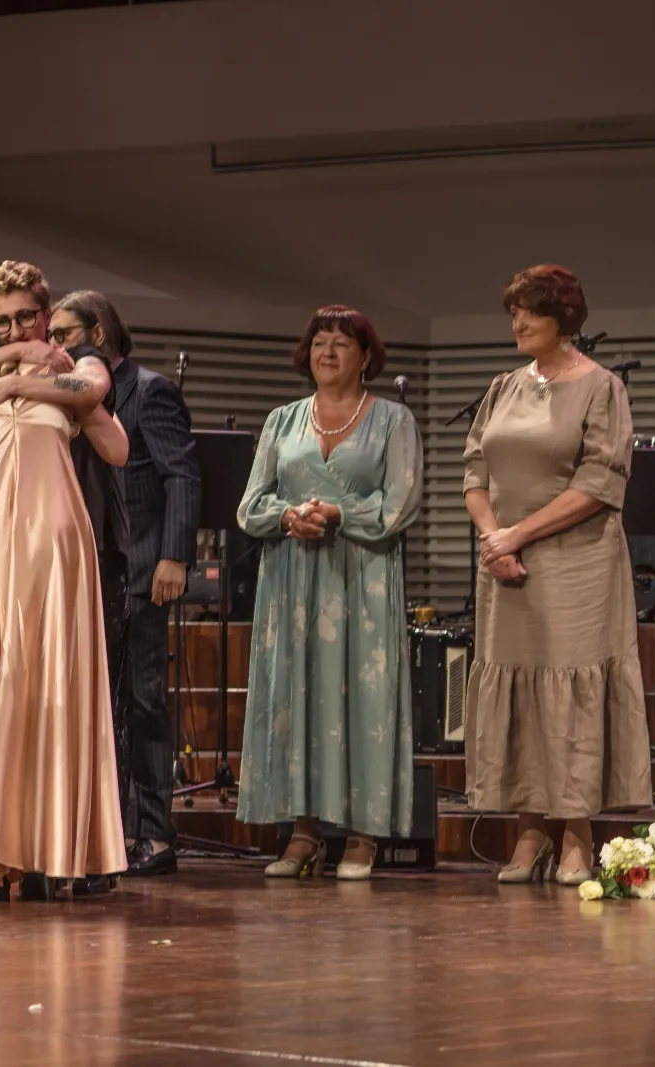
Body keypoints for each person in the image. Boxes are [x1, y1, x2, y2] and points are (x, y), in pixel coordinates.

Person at [0, 261, 127, 902]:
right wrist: (12, 359)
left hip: (53, 544)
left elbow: (114, 443)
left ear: (45, 311)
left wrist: (29, 382)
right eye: (1, 321)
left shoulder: (69, 375)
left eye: (25, 317)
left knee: (47, 688)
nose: (14, 328)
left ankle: (42, 850)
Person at [464, 264, 650, 886]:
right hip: (505, 564)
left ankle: (576, 832)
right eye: (514, 311)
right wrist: (494, 538)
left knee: (569, 694)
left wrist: (517, 534)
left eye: (531, 311)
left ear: (562, 319)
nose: (518, 322)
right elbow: (474, 470)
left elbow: (600, 483)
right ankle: (530, 831)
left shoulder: (601, 388)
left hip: (576, 563)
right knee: (519, 692)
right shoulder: (503, 387)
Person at [237, 306, 422, 881]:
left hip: (361, 579)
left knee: (363, 702)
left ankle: (363, 835)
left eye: (341, 342)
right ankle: (304, 832)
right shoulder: (282, 420)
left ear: (366, 357)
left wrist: (339, 512)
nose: (328, 351)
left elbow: (400, 504)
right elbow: (250, 505)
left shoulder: (393, 420)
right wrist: (288, 515)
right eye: (319, 341)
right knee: (299, 697)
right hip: (293, 582)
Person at [50, 289, 201, 878]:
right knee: (99, 705)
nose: (54, 343)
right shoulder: (63, 391)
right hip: (90, 571)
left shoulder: (150, 391)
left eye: (64, 333)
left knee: (143, 701)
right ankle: (106, 831)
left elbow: (181, 476)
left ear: (98, 333)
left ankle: (154, 835)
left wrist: (174, 557)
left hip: (139, 569)